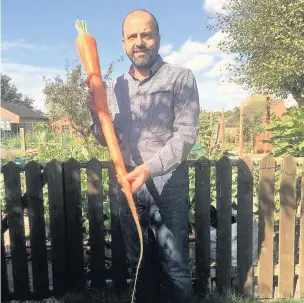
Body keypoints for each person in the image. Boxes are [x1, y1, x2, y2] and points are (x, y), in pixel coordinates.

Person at [85, 8, 200, 303]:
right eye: (132, 36)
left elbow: (186, 136)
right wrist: (96, 115)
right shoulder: (114, 87)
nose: (140, 42)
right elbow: (107, 140)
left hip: (167, 185)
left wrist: (148, 169)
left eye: (146, 34)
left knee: (174, 264)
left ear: (158, 38)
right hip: (127, 186)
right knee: (138, 263)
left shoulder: (180, 78)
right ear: (123, 43)